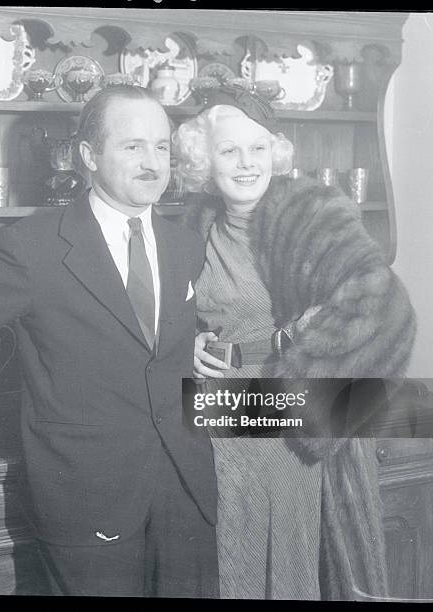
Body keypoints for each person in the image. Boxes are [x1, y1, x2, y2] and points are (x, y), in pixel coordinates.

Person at [0, 85, 218, 598]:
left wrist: (185, 343)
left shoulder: (184, 244)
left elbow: (143, 341)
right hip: (86, 492)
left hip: (183, 489)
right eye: (132, 146)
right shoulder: (30, 246)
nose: (153, 163)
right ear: (87, 156)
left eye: (162, 147)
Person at [173, 84, 416, 600]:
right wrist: (184, 342)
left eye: (257, 148)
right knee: (229, 560)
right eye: (228, 150)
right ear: (204, 161)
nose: (246, 163)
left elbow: (385, 308)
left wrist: (304, 342)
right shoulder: (191, 226)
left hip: (291, 422)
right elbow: (158, 314)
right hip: (215, 419)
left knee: (293, 566)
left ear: (275, 154)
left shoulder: (314, 215)